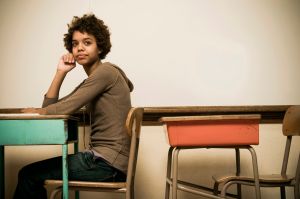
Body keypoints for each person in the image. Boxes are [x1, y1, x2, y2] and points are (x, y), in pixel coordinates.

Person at [13, 13, 134, 199]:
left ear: (100, 46)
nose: (79, 48)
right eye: (75, 44)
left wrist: (39, 112)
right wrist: (60, 72)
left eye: (87, 42)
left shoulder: (105, 73)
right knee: (30, 175)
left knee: (28, 175)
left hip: (106, 164)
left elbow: (56, 110)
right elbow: (53, 107)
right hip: (106, 162)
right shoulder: (95, 80)